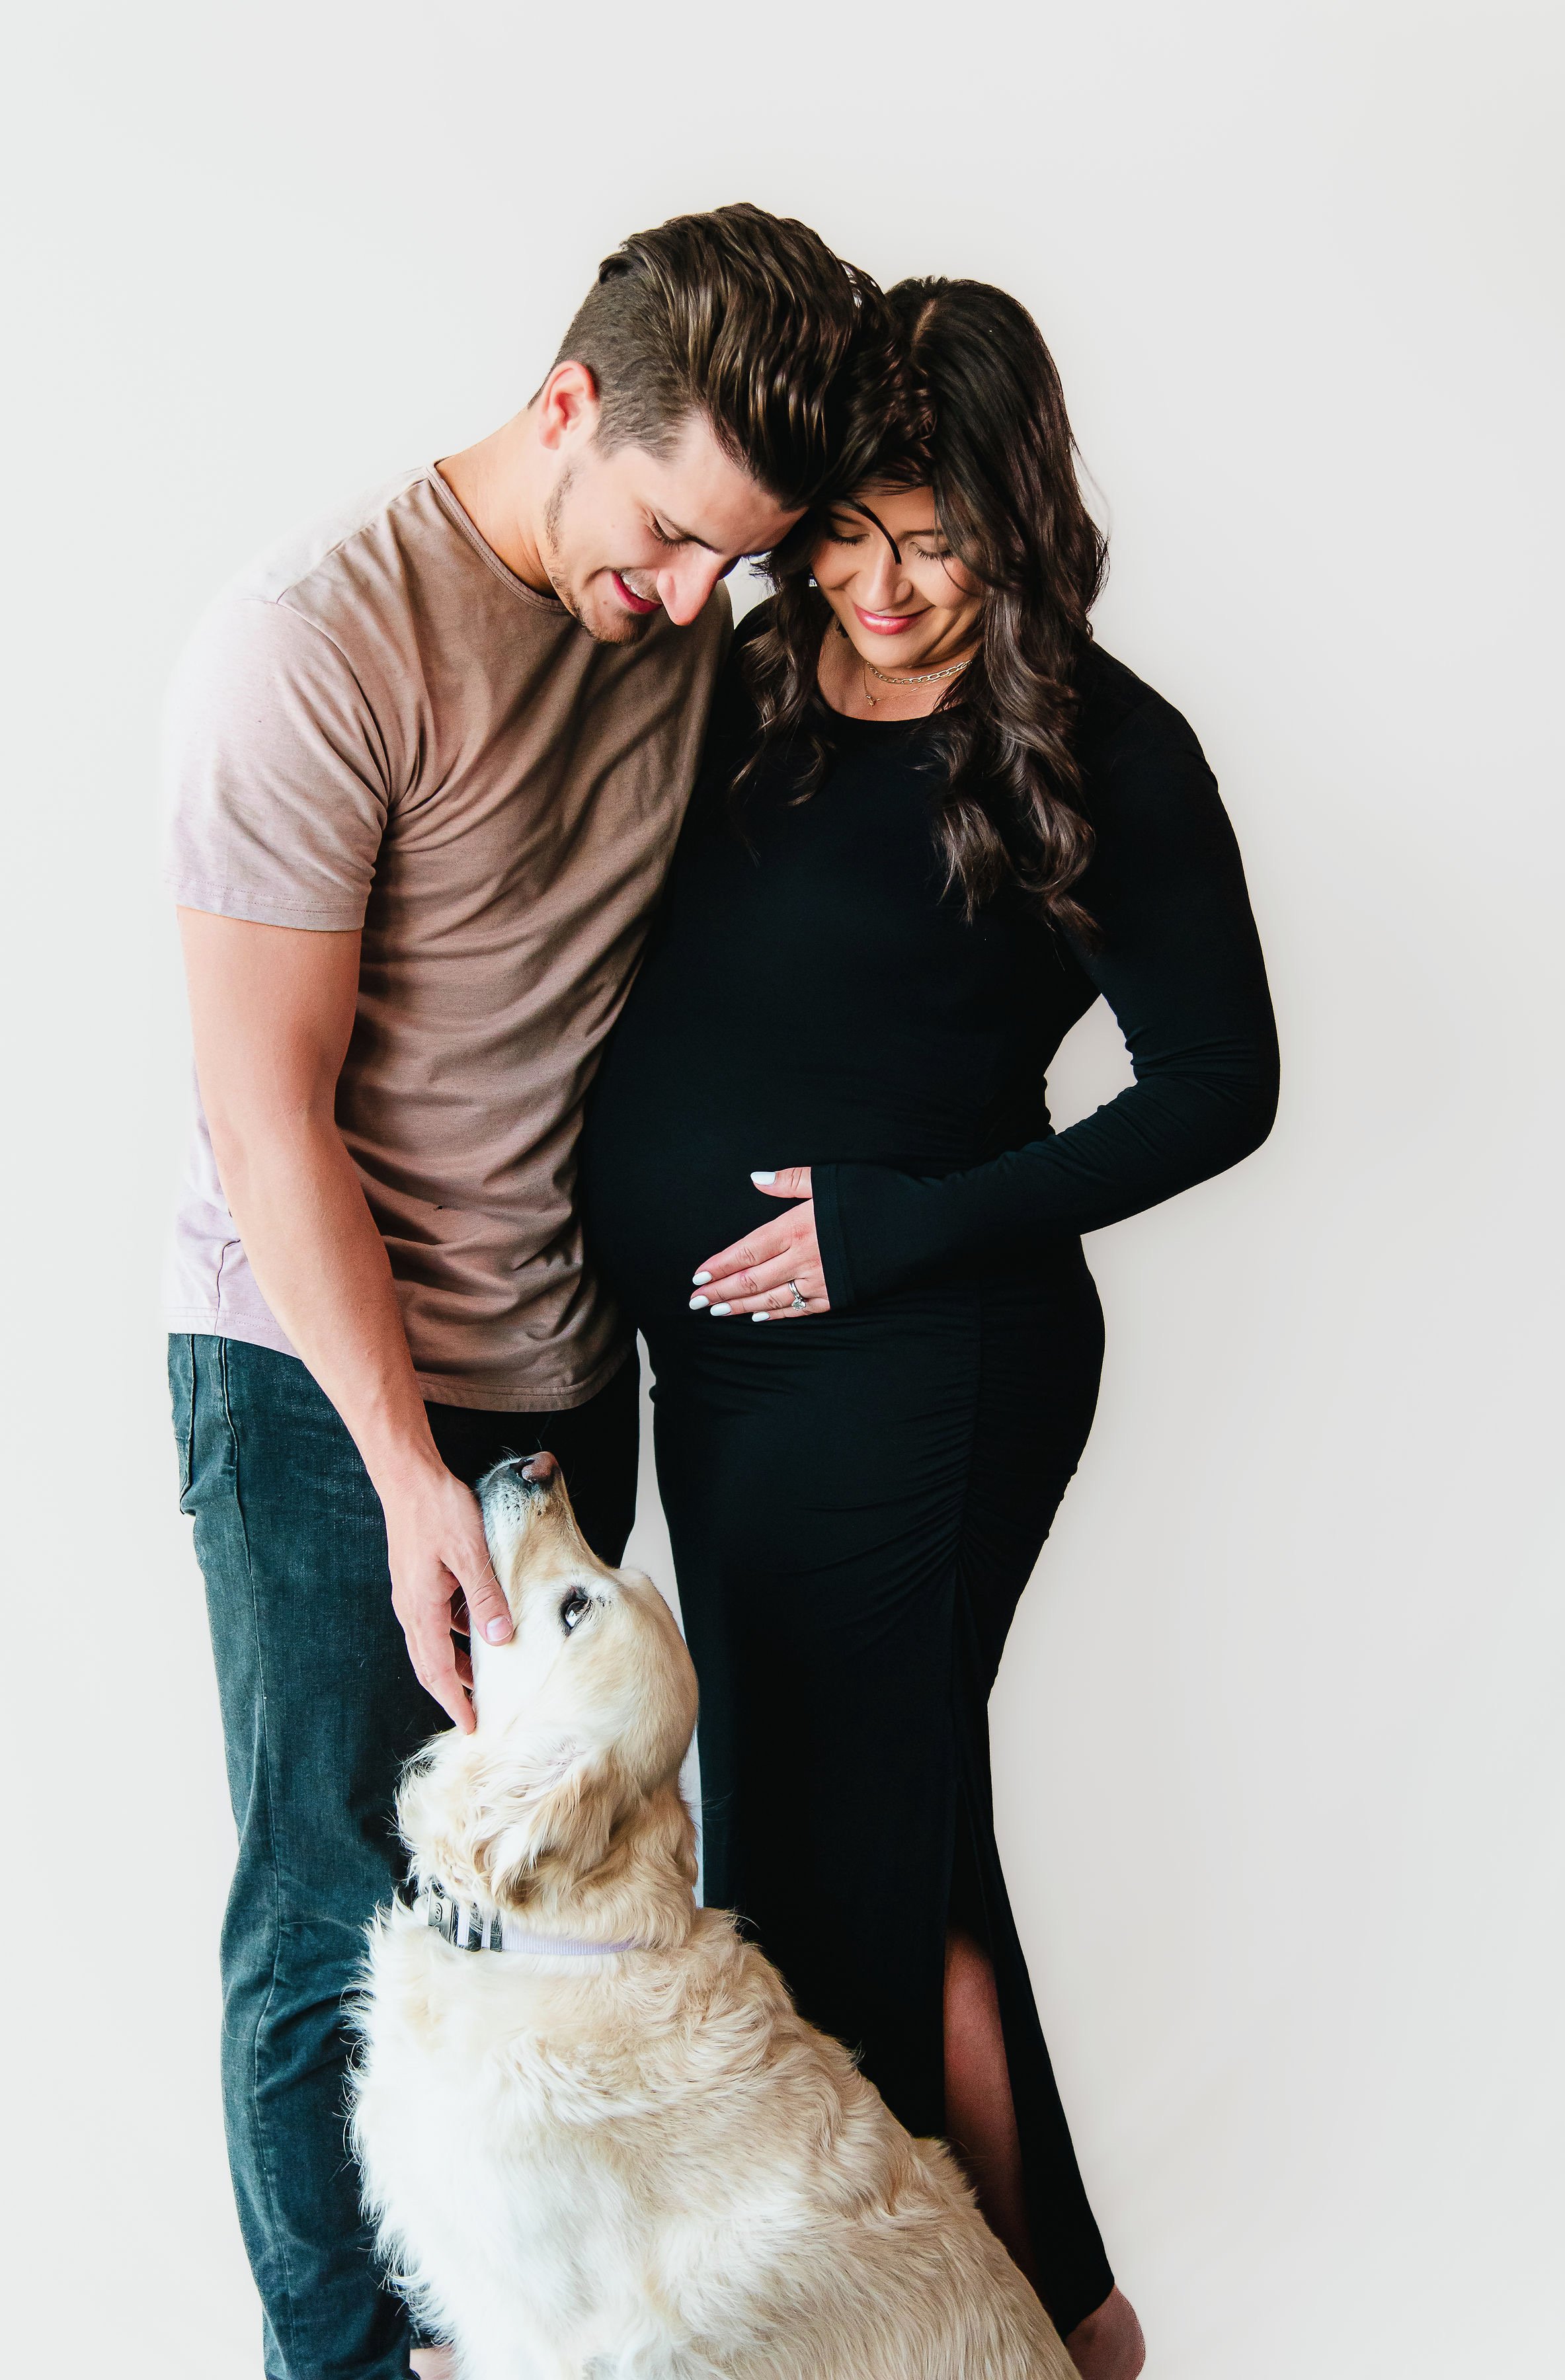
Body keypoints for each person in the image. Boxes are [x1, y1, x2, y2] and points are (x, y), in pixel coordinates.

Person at [163, 204, 885, 2380]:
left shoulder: (677, 612)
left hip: (563, 1378)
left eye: (726, 567)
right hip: (319, 1386)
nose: (679, 604)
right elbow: (266, 1118)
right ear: (565, 404)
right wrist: (400, 1466)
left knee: (533, 1922)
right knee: (329, 1929)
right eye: (664, 535)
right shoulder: (313, 645)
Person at [579, 277, 1282, 2380]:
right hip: (726, 1376)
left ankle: (998, 2329)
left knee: (836, 1874)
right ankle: (1055, 2327)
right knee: (876, 1848)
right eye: (853, 534)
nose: (886, 588)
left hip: (925, 1370)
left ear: (1015, 516)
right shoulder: (759, 677)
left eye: (936, 539)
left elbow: (1218, 1084)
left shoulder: (1098, 738)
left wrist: (902, 1230)